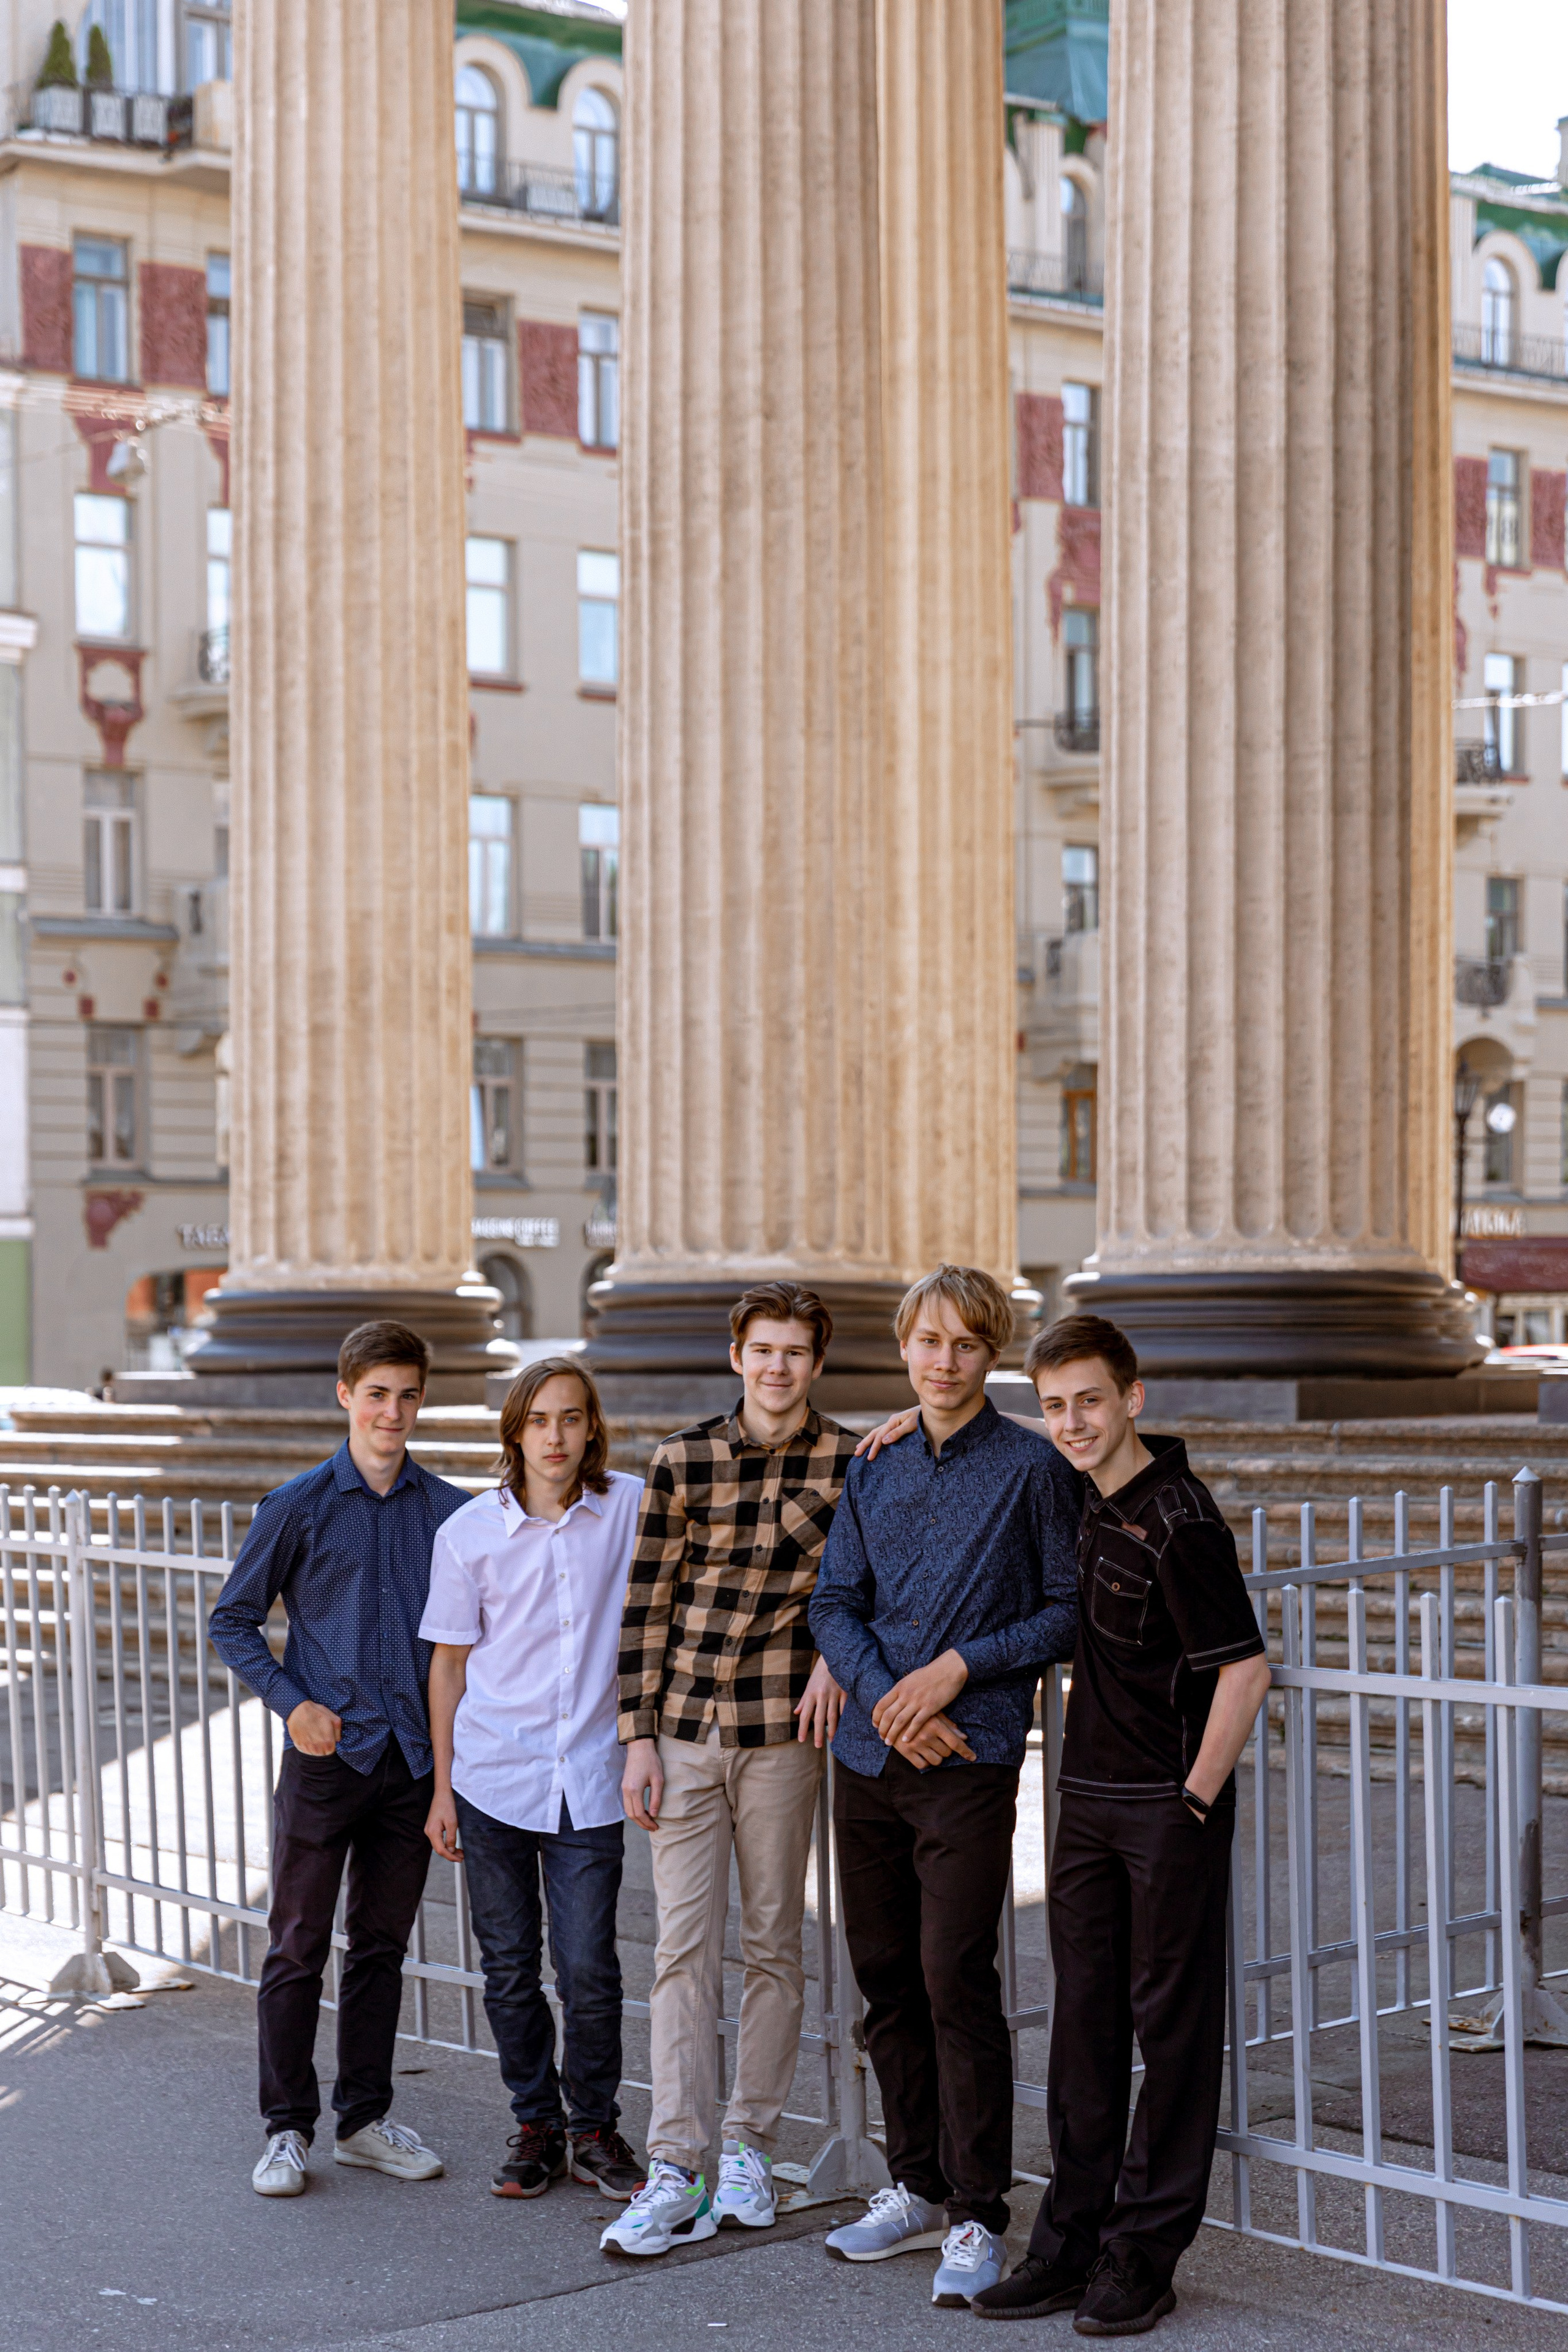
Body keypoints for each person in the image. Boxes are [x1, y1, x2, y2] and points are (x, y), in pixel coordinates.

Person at [971, 1313, 1272, 2335]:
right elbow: (995, 1428)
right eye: (1055, 1405)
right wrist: (906, 1417)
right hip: (1087, 1806)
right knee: (1083, 2034)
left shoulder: (1181, 1519)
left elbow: (1244, 1666)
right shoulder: (1085, 1489)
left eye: (1089, 1401)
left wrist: (1194, 1800)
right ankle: (1068, 2244)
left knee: (1172, 2036)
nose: (1070, 1422)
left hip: (1163, 1810)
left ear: (1133, 1398)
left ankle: (1142, 2259)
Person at [808, 1264, 1079, 2311]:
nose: (943, 1360)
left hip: (967, 1755)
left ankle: (976, 2208)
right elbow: (836, 1601)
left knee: (955, 1977)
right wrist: (886, 1700)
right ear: (906, 1348)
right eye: (927, 1342)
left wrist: (955, 1672)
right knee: (884, 1979)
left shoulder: (1033, 1467)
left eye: (965, 1343)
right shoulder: (875, 1466)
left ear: (992, 1351)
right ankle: (913, 2186)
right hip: (873, 1759)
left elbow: (1062, 1610)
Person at [602, 1283, 856, 2258]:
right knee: (679, 1950)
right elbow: (646, 1608)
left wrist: (840, 1656)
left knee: (773, 1944)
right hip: (683, 1733)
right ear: (738, 1356)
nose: (778, 1367)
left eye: (796, 1351)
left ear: (817, 1363)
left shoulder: (851, 1461)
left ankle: (748, 2146)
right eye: (763, 1350)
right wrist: (635, 1737)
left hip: (783, 1735)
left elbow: (863, 1586)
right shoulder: (681, 1459)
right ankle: (676, 2164)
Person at [209, 1321, 469, 2198]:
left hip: (409, 1764)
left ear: (420, 1401)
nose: (392, 1411)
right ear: (345, 1396)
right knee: (297, 1945)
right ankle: (287, 2129)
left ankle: (362, 2122)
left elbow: (464, 1644)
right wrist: (294, 1705)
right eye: (376, 1394)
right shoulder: (298, 1504)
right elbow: (232, 1621)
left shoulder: (452, 1513)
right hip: (326, 1760)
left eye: (407, 1395)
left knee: (382, 1949)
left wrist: (447, 1769)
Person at [421, 1357, 646, 2204]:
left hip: (589, 1777)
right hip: (491, 1780)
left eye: (572, 1418)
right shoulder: (468, 1534)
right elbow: (448, 1667)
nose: (556, 1436)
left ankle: (593, 2126)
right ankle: (534, 2123)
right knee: (509, 1965)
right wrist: (442, 1790)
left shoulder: (628, 1508)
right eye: (540, 1419)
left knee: (589, 1966)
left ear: (592, 1429)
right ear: (514, 1430)